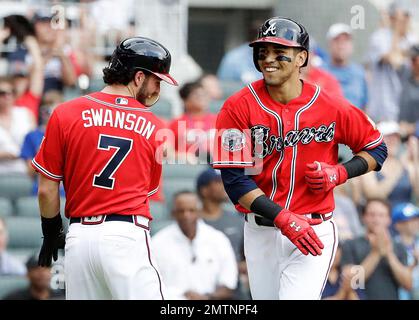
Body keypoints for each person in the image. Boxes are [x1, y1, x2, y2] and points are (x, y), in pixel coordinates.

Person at [212, 16, 387, 300]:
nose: (268, 59)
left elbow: (377, 149)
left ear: (301, 58)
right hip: (262, 231)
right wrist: (284, 219)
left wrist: (339, 173)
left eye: (279, 52)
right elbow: (234, 181)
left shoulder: (330, 105)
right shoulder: (236, 107)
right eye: (262, 52)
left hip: (313, 230)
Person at [31, 36, 178, 300]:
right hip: (125, 234)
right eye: (157, 80)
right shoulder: (155, 126)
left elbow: (46, 190)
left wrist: (51, 230)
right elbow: (149, 190)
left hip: (79, 240)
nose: (158, 88)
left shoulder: (65, 112)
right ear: (138, 77)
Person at [152, 191, 238, 300]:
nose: (186, 215)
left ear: (199, 212)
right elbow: (151, 286)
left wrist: (206, 298)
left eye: (191, 210)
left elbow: (229, 283)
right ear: (173, 213)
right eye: (181, 211)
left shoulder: (218, 239)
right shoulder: (157, 243)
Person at [341, 199, 412, 299]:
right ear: (363, 217)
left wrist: (389, 254)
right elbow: (351, 282)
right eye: (371, 214)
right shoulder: (351, 244)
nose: (376, 219)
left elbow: (407, 284)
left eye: (381, 215)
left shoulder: (398, 246)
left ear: (389, 219)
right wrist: (375, 253)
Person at [366, 1, 417, 122]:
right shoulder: (379, 37)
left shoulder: (412, 39)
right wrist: (396, 31)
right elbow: (394, 60)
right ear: (392, 17)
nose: (405, 20)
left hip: (406, 112)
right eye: (402, 16)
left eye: (407, 16)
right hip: (382, 111)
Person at [361, 121, 418, 206]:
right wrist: (399, 169)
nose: (393, 141)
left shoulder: (408, 167)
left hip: (405, 216)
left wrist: (415, 157)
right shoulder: (369, 165)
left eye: (396, 137)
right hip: (381, 217)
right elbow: (374, 195)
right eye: (388, 137)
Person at [323, 23, 368, 110]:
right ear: (329, 44)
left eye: (345, 41)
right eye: (337, 40)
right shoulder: (320, 72)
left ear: (351, 45)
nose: (341, 45)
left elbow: (364, 106)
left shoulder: (359, 73)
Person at [391, 202, 419, 300]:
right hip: (401, 293)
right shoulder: (392, 245)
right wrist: (415, 263)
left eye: (416, 219)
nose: (415, 223)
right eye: (409, 220)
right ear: (397, 224)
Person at [399, 44, 419, 137]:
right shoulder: (405, 75)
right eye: (410, 60)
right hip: (399, 136)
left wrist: (412, 128)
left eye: (414, 59)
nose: (411, 63)